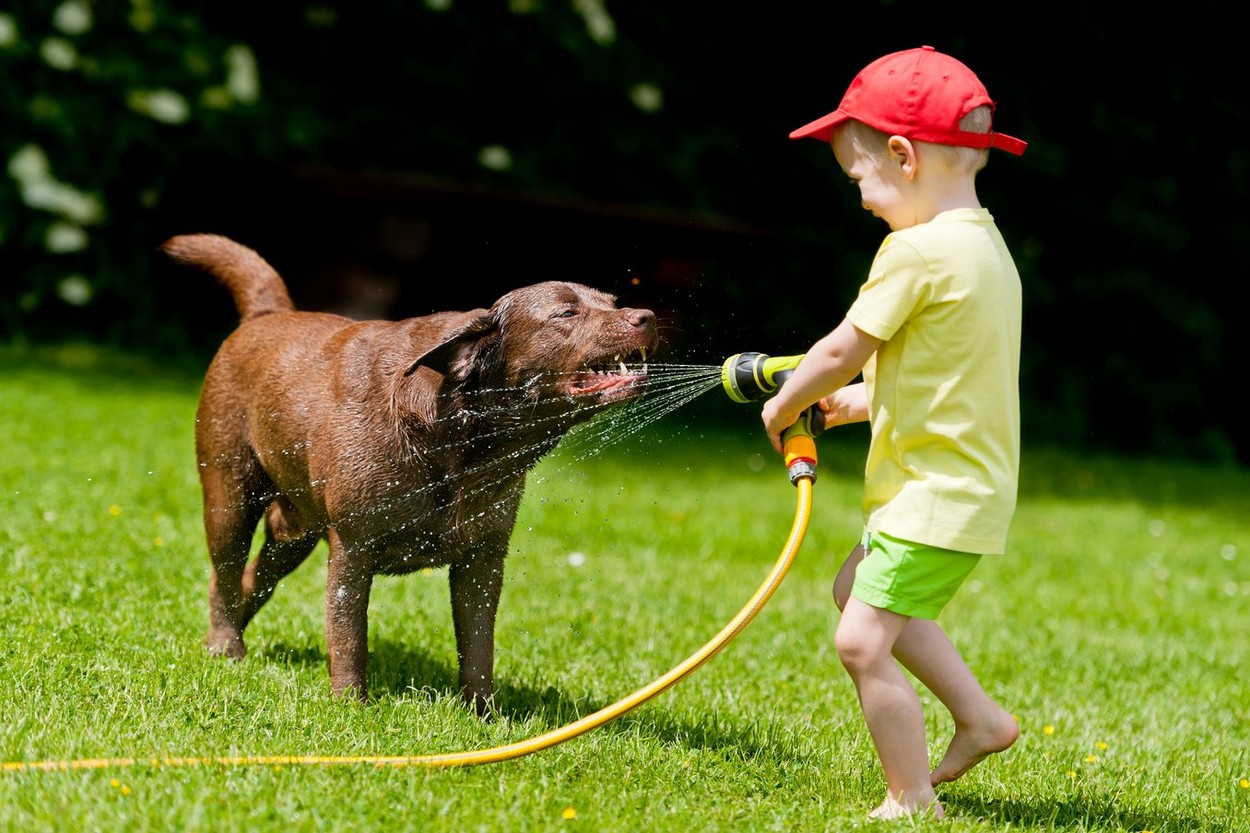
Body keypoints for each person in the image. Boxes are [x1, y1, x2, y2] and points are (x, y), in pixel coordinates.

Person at [762, 45, 1027, 820]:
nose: (863, 198)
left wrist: (787, 406)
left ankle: (911, 799)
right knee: (856, 592)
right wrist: (856, 405)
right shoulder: (985, 248)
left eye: (861, 178)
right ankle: (982, 720)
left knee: (861, 641)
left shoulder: (911, 252)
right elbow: (945, 369)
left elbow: (845, 345)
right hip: (961, 488)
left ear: (904, 157)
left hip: (936, 495)